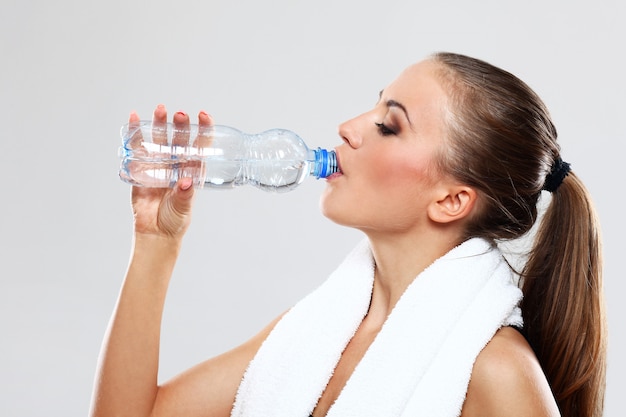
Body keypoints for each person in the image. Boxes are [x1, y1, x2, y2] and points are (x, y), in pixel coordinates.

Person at [89, 52, 606, 417]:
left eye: (389, 125)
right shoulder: (312, 335)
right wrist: (156, 245)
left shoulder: (498, 373)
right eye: (375, 106)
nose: (349, 126)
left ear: (451, 200)